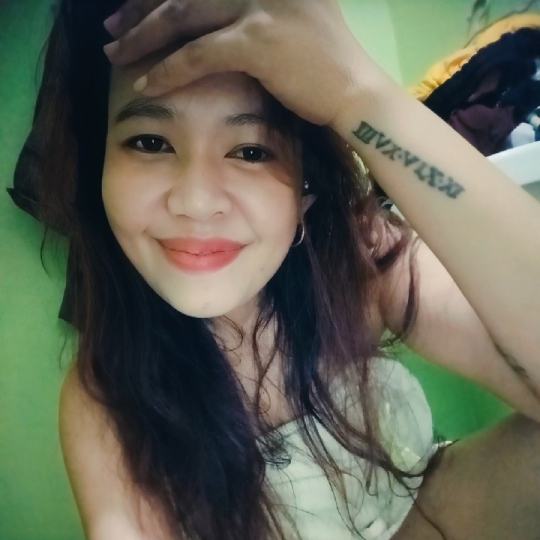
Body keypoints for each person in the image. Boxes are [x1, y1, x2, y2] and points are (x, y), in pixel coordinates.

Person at [24, 0, 540, 538]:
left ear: (305, 188)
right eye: (150, 142)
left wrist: (360, 95)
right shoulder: (106, 391)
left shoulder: (365, 257)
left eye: (251, 151)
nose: (197, 202)